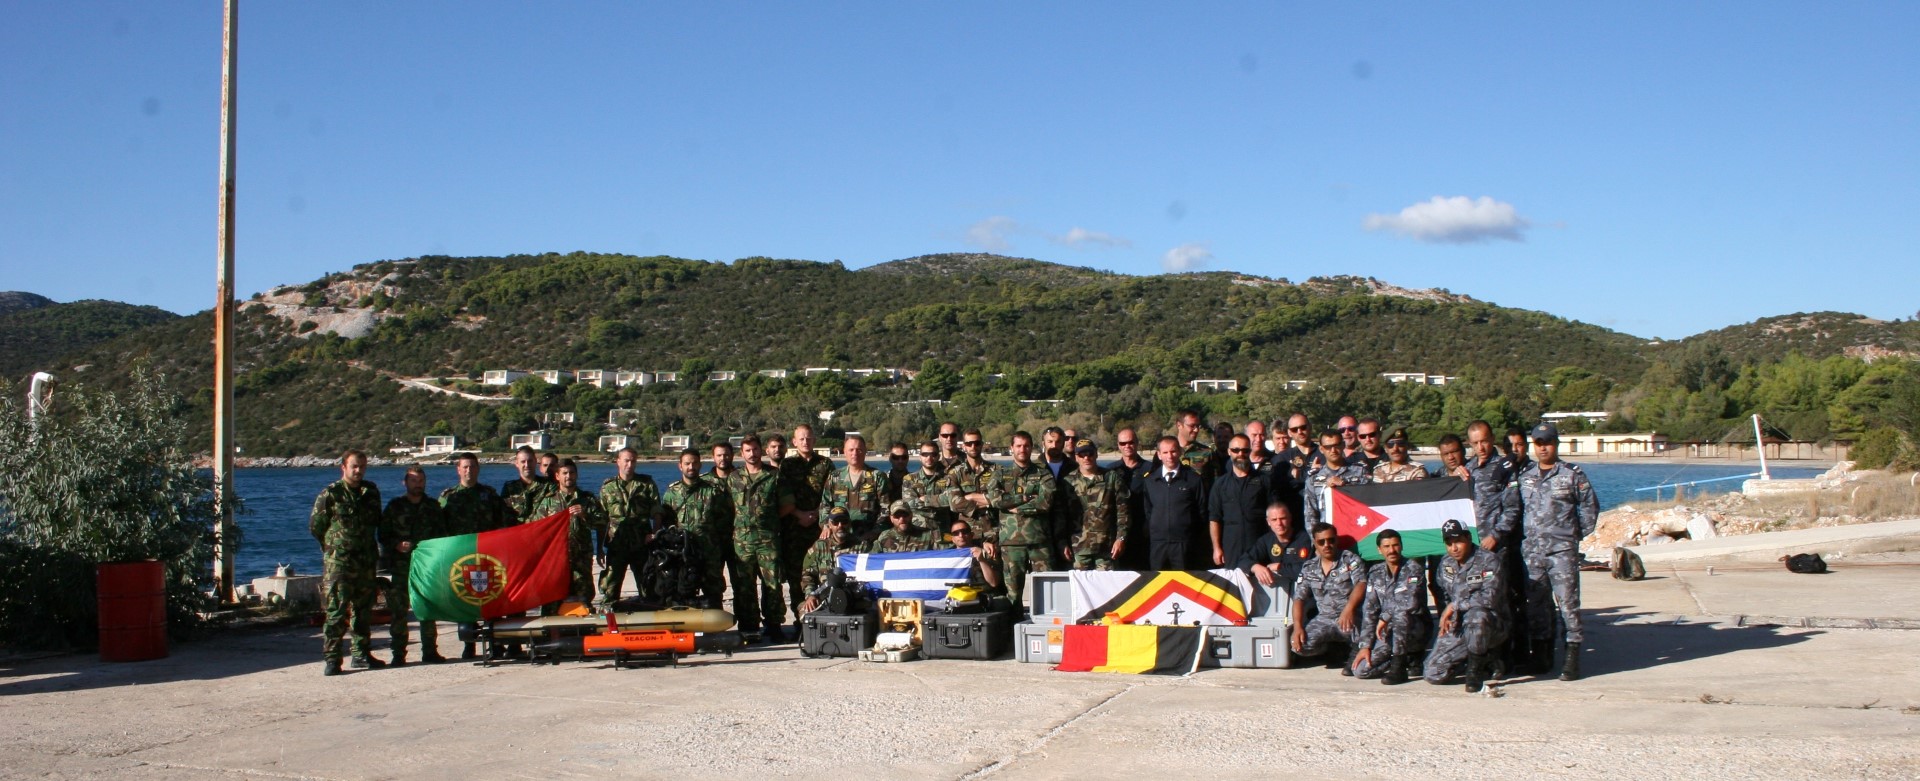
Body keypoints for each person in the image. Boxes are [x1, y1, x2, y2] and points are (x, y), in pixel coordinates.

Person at [1516, 422, 1599, 681]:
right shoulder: (1525, 476)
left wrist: (1574, 535)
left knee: (1568, 605)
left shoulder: (1572, 475)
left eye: (1548, 443)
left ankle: (1571, 658)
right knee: (1537, 607)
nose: (1543, 448)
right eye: (1539, 443)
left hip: (1561, 552)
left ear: (1556, 443)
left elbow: (1590, 507)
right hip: (1533, 553)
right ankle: (1541, 658)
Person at [310, 450, 383, 675]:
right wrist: (334, 547)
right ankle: (333, 658)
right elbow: (316, 526)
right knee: (336, 611)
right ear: (343, 467)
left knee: (363, 610)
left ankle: (361, 654)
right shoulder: (331, 494)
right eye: (354, 466)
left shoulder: (370, 492)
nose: (358, 470)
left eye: (362, 466)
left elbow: (376, 521)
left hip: (365, 560)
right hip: (339, 563)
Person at [1424, 519, 1509, 693]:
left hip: (1490, 625)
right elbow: (1443, 594)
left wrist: (1455, 606)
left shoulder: (1489, 560)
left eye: (1458, 542)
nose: (1454, 548)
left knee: (1476, 616)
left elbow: (1489, 598)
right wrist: (1446, 616)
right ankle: (1483, 660)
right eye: (1449, 543)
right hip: (1460, 625)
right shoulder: (1446, 563)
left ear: (1469, 538)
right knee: (1433, 673)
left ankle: (1475, 673)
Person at [437, 452, 508, 659]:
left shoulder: (489, 494)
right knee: (465, 600)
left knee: (491, 599)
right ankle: (469, 644)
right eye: (465, 467)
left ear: (478, 469)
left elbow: (503, 521)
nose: (469, 471)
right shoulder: (448, 497)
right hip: (461, 558)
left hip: (487, 557)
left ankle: (495, 643)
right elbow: (439, 526)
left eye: (473, 467)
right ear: (458, 470)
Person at [724, 435, 787, 643]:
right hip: (742, 542)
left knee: (772, 584)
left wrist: (769, 519)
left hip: (768, 539)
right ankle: (749, 626)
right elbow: (728, 508)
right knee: (744, 586)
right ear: (742, 454)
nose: (752, 454)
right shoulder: (734, 478)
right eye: (748, 451)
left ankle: (774, 625)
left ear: (761, 451)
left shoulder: (774, 476)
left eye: (755, 449)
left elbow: (787, 504)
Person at [985, 431, 1057, 609]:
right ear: (1011, 448)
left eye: (1026, 446)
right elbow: (996, 500)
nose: (1022, 449)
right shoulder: (1000, 475)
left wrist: (1017, 508)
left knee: (1048, 588)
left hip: (1039, 541)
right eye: (1018, 446)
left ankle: (1047, 623)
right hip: (1011, 542)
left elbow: (1045, 502)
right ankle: (1013, 623)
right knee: (1013, 592)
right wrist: (1025, 498)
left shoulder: (1043, 474)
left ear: (1031, 448)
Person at [377, 466, 439, 667]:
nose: (418, 484)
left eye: (421, 480)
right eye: (413, 480)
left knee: (427, 610)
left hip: (426, 567)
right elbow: (383, 534)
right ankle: (398, 654)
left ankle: (430, 651)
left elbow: (443, 534)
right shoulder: (395, 506)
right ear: (405, 483)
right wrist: (396, 544)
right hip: (401, 566)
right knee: (399, 612)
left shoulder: (432, 506)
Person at [1290, 521, 1368, 674]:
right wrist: (1297, 627)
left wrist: (1349, 609)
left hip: (1350, 616)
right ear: (1315, 544)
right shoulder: (1309, 568)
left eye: (1331, 540)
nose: (1327, 545)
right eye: (1321, 542)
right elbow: (1299, 598)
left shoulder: (1349, 559)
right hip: (1325, 618)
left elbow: (1361, 583)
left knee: (1366, 637)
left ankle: (1353, 650)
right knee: (1299, 647)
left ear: (1336, 540)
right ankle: (1333, 649)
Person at [1353, 529, 1429, 684]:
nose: (1392, 550)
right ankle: (1406, 659)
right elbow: (1370, 610)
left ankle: (1399, 668)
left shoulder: (1413, 569)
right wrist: (1365, 646)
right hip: (1388, 633)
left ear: (1401, 546)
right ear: (1379, 550)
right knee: (1361, 670)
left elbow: (1410, 602)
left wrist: (1385, 616)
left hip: (1413, 630)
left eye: (1395, 545)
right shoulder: (1375, 573)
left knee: (1401, 615)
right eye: (1386, 546)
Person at [530, 459, 608, 606]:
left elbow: (602, 523)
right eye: (564, 473)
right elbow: (537, 530)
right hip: (556, 561)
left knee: (583, 601)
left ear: (576, 475)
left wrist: (585, 515)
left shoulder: (587, 499)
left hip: (581, 560)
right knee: (552, 602)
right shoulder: (547, 502)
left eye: (572, 473)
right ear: (557, 476)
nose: (568, 476)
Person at [661, 448, 732, 609]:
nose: (691, 467)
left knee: (713, 594)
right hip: (684, 554)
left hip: (709, 553)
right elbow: (667, 524)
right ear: (680, 466)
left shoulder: (712, 491)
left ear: (700, 465)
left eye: (694, 463)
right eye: (687, 464)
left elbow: (724, 521)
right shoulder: (672, 493)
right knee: (683, 594)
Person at [779, 425, 833, 619]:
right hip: (794, 527)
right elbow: (783, 495)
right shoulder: (787, 465)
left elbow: (831, 494)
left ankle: (823, 616)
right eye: (801, 439)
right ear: (794, 442)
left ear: (814, 440)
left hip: (819, 527)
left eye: (808, 438)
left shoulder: (825, 464)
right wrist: (798, 514)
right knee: (796, 576)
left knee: (822, 573)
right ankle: (800, 618)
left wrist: (819, 516)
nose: (805, 442)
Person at [598, 447, 662, 606]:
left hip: (641, 543)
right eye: (626, 460)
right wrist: (599, 548)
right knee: (610, 587)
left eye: (633, 461)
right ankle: (609, 615)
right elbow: (602, 519)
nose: (630, 464)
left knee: (647, 585)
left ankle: (649, 613)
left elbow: (657, 512)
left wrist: (655, 534)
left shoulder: (646, 484)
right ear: (618, 462)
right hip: (617, 544)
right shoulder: (608, 487)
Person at [1060, 437, 1131, 571]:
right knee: (1080, 584)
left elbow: (1123, 512)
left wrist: (1121, 538)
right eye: (1082, 455)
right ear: (1076, 457)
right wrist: (1062, 543)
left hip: (1106, 548)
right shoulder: (1068, 481)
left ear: (1096, 454)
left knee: (1107, 584)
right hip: (1078, 548)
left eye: (1090, 453)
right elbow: (1061, 516)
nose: (1086, 458)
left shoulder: (1111, 478)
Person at [1139, 435, 1206, 569]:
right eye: (1165, 452)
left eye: (1173, 451)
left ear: (1180, 452)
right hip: (1158, 543)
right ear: (1159, 455)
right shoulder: (1150, 480)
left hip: (1183, 543)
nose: (1170, 456)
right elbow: (1148, 511)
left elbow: (1201, 511)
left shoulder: (1193, 479)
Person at [1208, 434, 1270, 567]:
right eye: (1236, 450)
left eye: (1245, 450)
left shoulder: (1264, 481)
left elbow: (1273, 514)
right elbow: (1214, 519)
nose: (1240, 454)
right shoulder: (1220, 484)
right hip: (1231, 546)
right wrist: (1216, 548)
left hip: (1258, 544)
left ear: (1250, 451)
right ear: (1229, 452)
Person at [823, 434, 887, 543]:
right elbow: (825, 505)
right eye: (851, 450)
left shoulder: (877, 476)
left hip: (869, 538)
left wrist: (875, 531)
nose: (855, 453)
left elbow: (886, 508)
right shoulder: (835, 477)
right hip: (840, 537)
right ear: (844, 452)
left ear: (865, 451)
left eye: (859, 450)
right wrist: (826, 526)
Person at [797, 509, 864, 613]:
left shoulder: (861, 546)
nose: (840, 526)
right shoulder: (819, 547)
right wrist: (810, 595)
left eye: (844, 522)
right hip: (825, 597)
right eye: (836, 522)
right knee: (805, 610)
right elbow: (807, 575)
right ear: (830, 524)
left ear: (849, 523)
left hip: (853, 597)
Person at [1301, 431, 1371, 528]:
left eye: (1336, 445)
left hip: (1356, 527)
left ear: (1343, 445)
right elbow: (1310, 516)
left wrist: (1346, 487)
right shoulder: (1313, 479)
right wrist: (1317, 538)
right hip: (1328, 534)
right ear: (1321, 449)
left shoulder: (1360, 472)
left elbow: (1369, 502)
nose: (1333, 450)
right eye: (1328, 447)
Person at [1107, 427, 1155, 570]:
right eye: (1123, 443)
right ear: (1118, 445)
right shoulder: (1110, 470)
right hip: (1118, 531)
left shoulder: (1151, 469)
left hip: (1143, 529)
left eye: (1131, 442)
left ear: (1137, 443)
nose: (1127, 446)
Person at [1239, 502, 1311, 595]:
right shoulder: (1266, 540)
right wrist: (1255, 567)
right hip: (1277, 597)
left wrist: (1279, 567)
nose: (1279, 523)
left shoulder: (1304, 539)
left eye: (1283, 518)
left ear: (1290, 518)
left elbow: (1307, 571)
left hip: (1304, 595)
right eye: (1274, 520)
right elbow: (1243, 560)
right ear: (1268, 522)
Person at [945, 429, 999, 538]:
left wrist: (971, 496)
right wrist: (989, 502)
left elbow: (1003, 498)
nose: (973, 447)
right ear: (964, 446)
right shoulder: (955, 473)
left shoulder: (996, 470)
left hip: (994, 531)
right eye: (969, 444)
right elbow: (954, 504)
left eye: (977, 443)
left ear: (982, 444)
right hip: (967, 534)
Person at [901, 440, 956, 536]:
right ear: (920, 457)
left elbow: (952, 500)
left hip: (942, 531)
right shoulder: (910, 479)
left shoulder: (949, 477)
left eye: (933, 454)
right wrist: (938, 503)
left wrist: (926, 499)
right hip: (918, 532)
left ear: (938, 456)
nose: (929, 458)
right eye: (925, 454)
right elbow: (910, 504)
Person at [1174, 410, 1221, 499]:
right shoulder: (1167, 452)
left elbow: (1217, 486)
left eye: (1197, 426)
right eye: (1192, 426)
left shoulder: (1207, 453)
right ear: (1179, 425)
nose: (1196, 430)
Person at [500, 445, 553, 523]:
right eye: (523, 462)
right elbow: (502, 514)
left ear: (535, 461)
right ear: (517, 463)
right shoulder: (509, 488)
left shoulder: (548, 485)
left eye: (530, 461)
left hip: (542, 528)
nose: (527, 465)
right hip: (518, 529)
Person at [947, 518, 1002, 591]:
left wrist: (982, 560)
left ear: (972, 535)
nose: (961, 535)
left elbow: (994, 582)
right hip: (958, 594)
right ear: (952, 539)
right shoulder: (947, 556)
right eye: (956, 533)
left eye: (964, 531)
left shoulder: (987, 550)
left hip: (985, 594)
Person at [870, 500, 935, 552]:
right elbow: (873, 560)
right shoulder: (884, 537)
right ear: (891, 518)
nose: (902, 519)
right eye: (897, 516)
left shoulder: (927, 535)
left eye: (905, 515)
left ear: (911, 515)